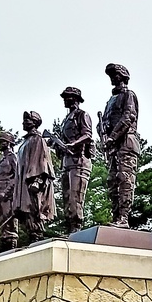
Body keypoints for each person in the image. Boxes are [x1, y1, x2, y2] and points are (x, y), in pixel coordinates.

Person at [100, 63, 140, 228]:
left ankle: (123, 218)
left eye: (116, 75)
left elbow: (128, 117)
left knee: (125, 180)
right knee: (112, 182)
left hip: (126, 143)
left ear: (123, 77)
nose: (113, 78)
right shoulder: (110, 101)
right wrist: (102, 131)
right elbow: (106, 122)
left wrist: (112, 137)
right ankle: (116, 216)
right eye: (111, 76)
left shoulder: (128, 95)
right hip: (113, 147)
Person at [56, 86, 95, 235]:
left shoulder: (82, 115)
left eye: (69, 97)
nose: (65, 100)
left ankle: (76, 227)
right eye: (65, 97)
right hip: (67, 162)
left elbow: (87, 135)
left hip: (79, 161)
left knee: (75, 196)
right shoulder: (66, 120)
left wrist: (73, 144)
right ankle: (69, 228)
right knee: (66, 197)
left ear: (76, 99)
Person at [14, 111, 56, 242]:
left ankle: (37, 237)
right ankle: (33, 237)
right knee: (27, 214)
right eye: (24, 120)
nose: (24, 122)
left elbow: (43, 161)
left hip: (34, 183)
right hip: (23, 185)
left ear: (35, 123)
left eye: (28, 120)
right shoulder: (24, 143)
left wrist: (38, 180)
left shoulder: (38, 139)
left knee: (34, 211)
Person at [0, 131, 19, 253]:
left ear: (9, 143)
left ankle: (11, 245)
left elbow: (17, 177)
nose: (0, 144)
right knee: (1, 223)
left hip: (7, 194)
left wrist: (7, 192)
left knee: (8, 222)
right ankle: (4, 246)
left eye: (3, 141)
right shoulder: (0, 160)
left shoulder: (12, 157)